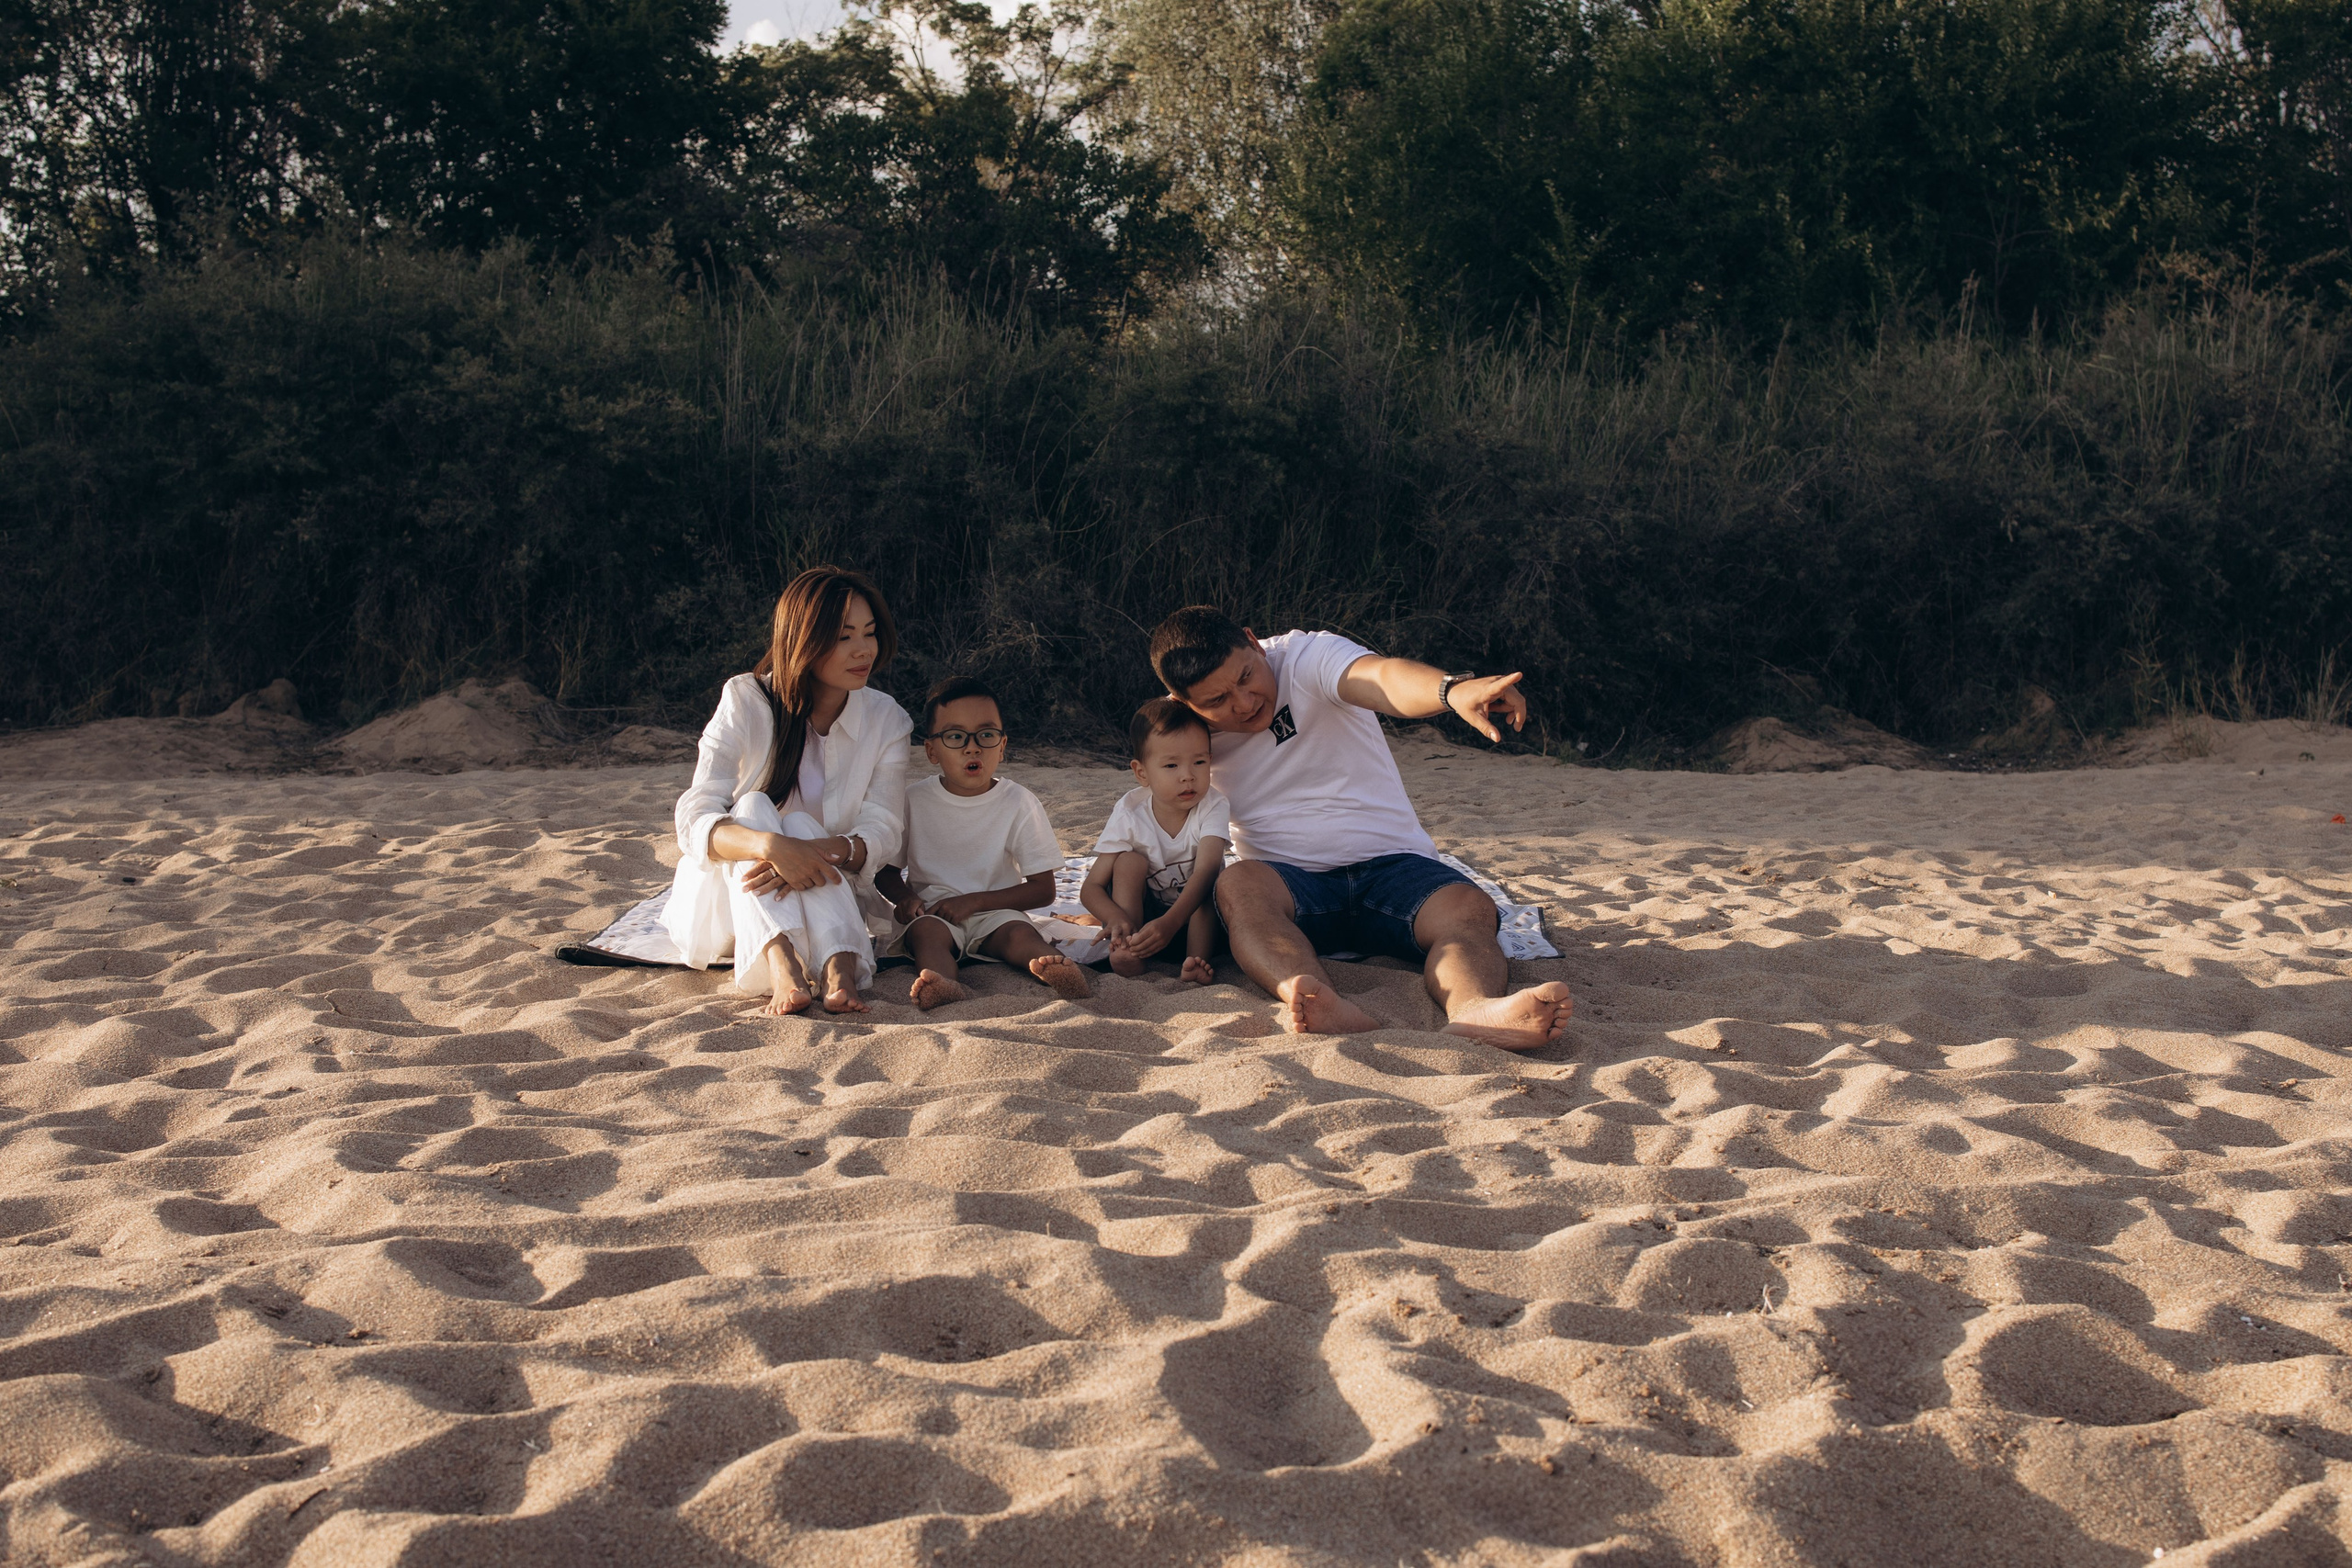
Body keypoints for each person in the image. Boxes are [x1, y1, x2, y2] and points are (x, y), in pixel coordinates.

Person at [1148, 605, 1573, 1050]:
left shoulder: (1306, 658)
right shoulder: (1184, 731)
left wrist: (1451, 690)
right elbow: (1155, 811)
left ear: (1254, 644)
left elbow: (1382, 678)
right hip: (1290, 886)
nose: (1244, 702)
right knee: (1237, 885)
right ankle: (1315, 998)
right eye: (1216, 702)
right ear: (1183, 702)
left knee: (1468, 906)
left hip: (1395, 868)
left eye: (1246, 677)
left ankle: (1474, 1008)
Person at [662, 566, 911, 1016]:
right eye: (843, 636)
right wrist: (772, 848)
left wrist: (810, 851)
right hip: (737, 900)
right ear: (803, 639)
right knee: (753, 804)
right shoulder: (747, 699)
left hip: (831, 897)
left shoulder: (887, 719)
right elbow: (694, 815)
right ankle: (782, 961)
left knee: (799, 823)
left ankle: (837, 967)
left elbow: (885, 828)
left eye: (870, 633)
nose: (863, 649)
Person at [875, 677, 1094, 1009]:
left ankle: (1056, 970)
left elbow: (1043, 890)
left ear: (1002, 746)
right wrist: (905, 899)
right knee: (927, 936)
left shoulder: (1018, 802)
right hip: (935, 912)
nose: (972, 747)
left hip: (997, 912)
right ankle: (944, 984)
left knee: (1020, 935)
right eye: (955, 736)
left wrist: (975, 902)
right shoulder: (913, 800)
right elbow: (886, 872)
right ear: (932, 751)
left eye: (986, 735)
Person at [1079, 697, 1229, 984]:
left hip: (1200, 925)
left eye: (1199, 762)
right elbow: (1091, 888)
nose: (1188, 776)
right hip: (1147, 925)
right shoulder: (1130, 811)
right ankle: (1129, 948)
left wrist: (1171, 923)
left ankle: (1195, 963)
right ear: (1142, 772)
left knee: (1209, 884)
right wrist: (1115, 918)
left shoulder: (1213, 804)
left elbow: (1207, 870)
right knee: (1128, 862)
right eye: (1171, 765)